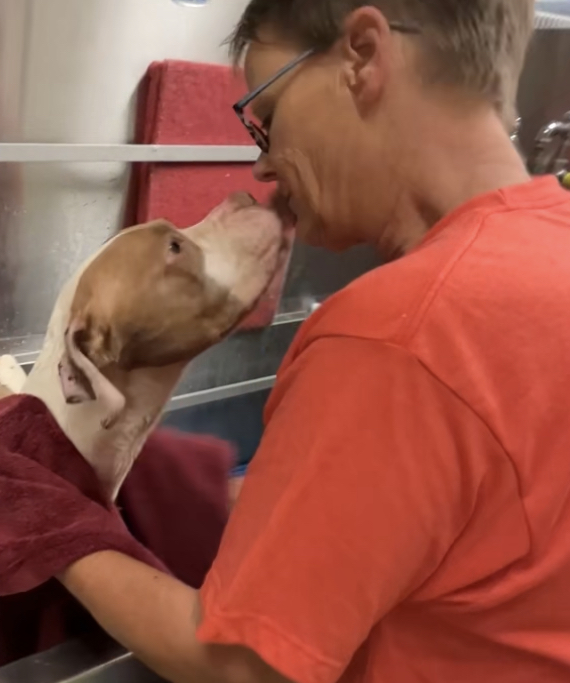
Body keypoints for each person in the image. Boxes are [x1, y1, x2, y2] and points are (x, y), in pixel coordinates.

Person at [55, 1, 570, 682]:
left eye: (266, 117)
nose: (262, 168)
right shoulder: (552, 240)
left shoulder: (397, 335)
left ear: (361, 56)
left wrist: (53, 527)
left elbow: (241, 665)